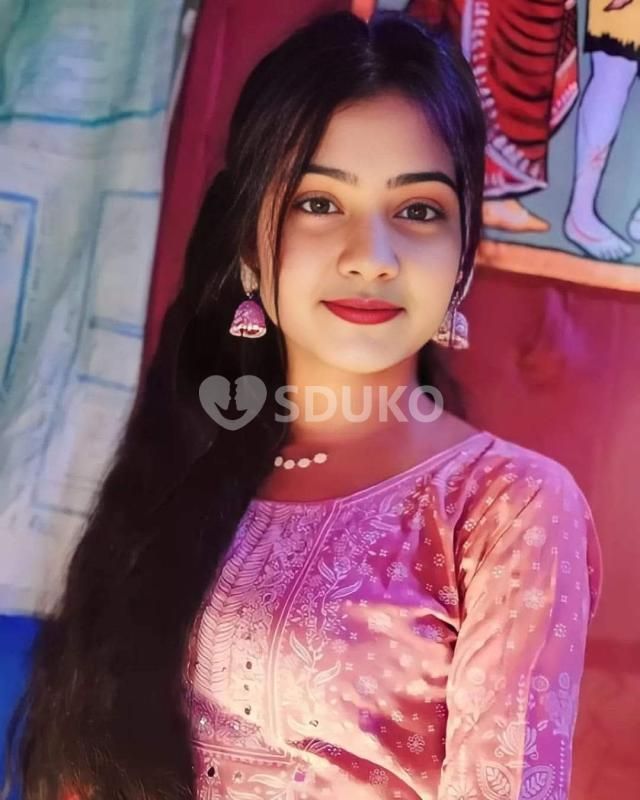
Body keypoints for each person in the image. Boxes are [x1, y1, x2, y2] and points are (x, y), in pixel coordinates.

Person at [3, 10, 601, 800]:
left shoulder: (506, 509)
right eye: (319, 203)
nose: (372, 258)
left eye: (418, 210)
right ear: (251, 244)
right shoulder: (184, 469)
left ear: (461, 259)